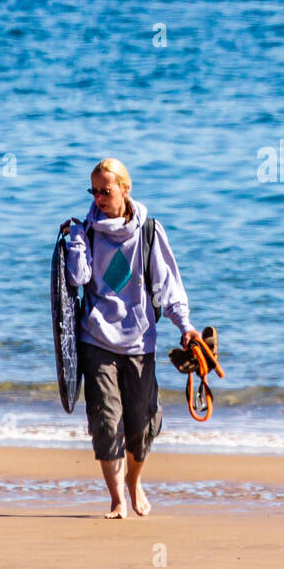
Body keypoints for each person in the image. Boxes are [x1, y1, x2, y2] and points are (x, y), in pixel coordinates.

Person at [64, 159, 202, 519]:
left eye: (105, 191)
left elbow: (168, 285)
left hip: (140, 341)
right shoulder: (88, 231)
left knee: (142, 425)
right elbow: (77, 280)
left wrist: (184, 325)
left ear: (125, 189)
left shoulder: (149, 232)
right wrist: (76, 240)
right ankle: (116, 498)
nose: (98, 198)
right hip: (96, 338)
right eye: (93, 191)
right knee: (106, 421)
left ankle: (134, 482)